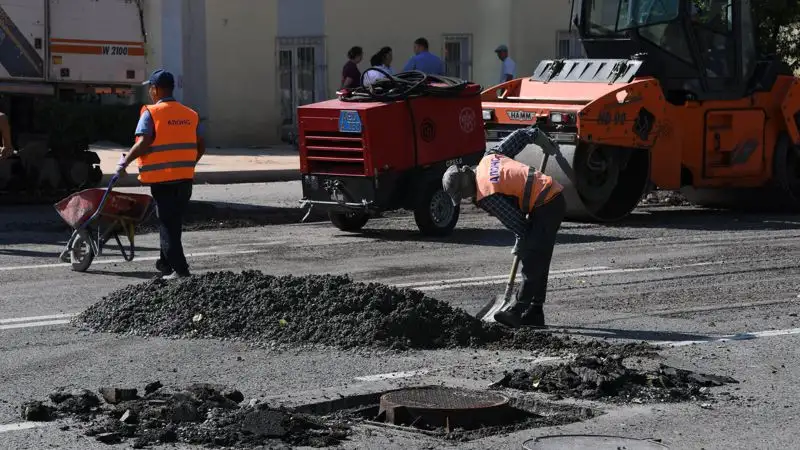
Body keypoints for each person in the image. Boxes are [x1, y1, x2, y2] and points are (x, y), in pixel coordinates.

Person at [441, 127, 565, 328]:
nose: (465, 197)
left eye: (462, 193)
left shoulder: (486, 193)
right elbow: (521, 135)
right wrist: (539, 138)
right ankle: (535, 312)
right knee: (539, 256)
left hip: (546, 204)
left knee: (533, 257)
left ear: (466, 176)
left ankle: (516, 310)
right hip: (548, 199)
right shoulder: (489, 158)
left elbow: (519, 224)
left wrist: (521, 242)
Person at [116, 69, 206, 280]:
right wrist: (190, 163)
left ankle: (181, 270)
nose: (150, 92)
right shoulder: (189, 114)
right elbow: (201, 144)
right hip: (184, 178)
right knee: (174, 222)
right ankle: (165, 265)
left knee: (167, 223)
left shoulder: (151, 112)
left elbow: (143, 142)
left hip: (162, 179)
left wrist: (124, 162)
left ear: (155, 89)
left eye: (150, 88)